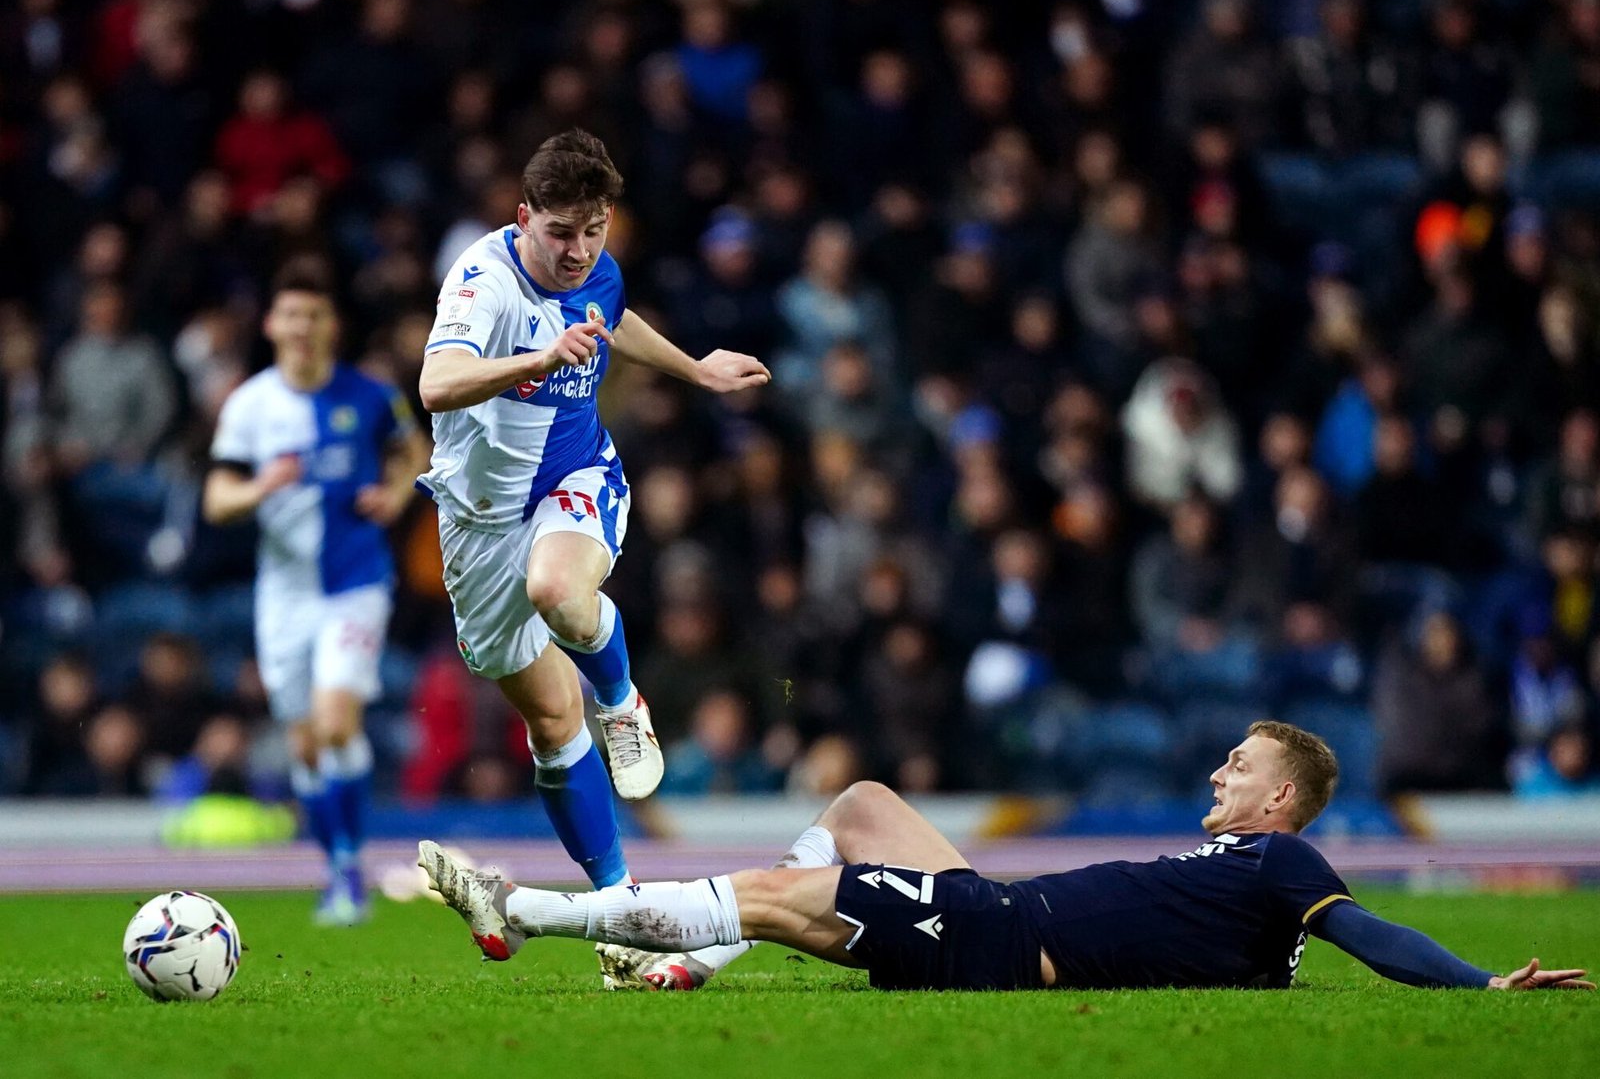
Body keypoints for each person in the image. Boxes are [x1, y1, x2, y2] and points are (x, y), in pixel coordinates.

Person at [418, 721, 1594, 993]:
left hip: (1003, 938)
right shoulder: (1245, 880)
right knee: (867, 799)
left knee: (776, 897)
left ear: (1280, 795)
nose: (1215, 776)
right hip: (1002, 907)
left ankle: (524, 909)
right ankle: (688, 965)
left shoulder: (1284, 865)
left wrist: (1479, 982)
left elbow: (1366, 929)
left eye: (1236, 765)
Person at [416, 128, 769, 901]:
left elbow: (616, 315)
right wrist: (540, 359)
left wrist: (695, 368)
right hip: (478, 521)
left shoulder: (597, 268)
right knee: (550, 722)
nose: (579, 251)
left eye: (594, 230)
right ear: (522, 219)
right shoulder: (483, 281)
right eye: (560, 233)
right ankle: (619, 903)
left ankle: (623, 701)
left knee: (558, 590)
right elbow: (437, 384)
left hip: (576, 478)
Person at [204, 267, 430, 925]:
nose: (302, 327)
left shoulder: (369, 395)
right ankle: (336, 867)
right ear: (272, 325)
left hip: (355, 581)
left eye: (314, 315)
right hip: (283, 594)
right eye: (291, 315)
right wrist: (261, 488)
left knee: (337, 725)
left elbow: (413, 447)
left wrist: (392, 493)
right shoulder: (250, 405)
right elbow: (217, 500)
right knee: (304, 744)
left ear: (332, 327)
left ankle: (349, 875)